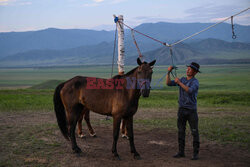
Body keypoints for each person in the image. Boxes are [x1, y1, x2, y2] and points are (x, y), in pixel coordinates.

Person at [166, 62, 200, 160]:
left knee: (194, 132)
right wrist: (168, 72)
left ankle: (195, 154)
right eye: (188, 68)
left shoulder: (195, 82)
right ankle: (181, 152)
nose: (188, 70)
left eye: (190, 69)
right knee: (181, 131)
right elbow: (168, 83)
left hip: (191, 111)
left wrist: (179, 83)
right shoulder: (183, 79)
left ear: (195, 72)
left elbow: (189, 90)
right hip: (181, 110)